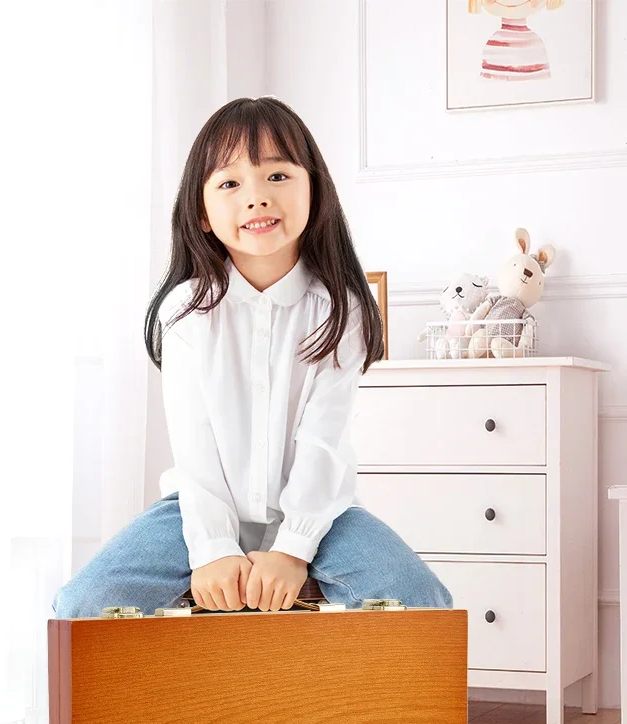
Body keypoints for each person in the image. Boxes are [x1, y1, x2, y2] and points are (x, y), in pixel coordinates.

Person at [52, 96, 452, 618]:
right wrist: (215, 549)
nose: (257, 198)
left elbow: (322, 445)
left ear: (315, 189)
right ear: (201, 210)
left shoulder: (342, 308)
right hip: (197, 511)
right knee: (82, 606)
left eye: (278, 177)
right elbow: (196, 453)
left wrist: (292, 548)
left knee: (424, 603)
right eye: (230, 183)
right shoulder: (185, 311)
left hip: (322, 516)